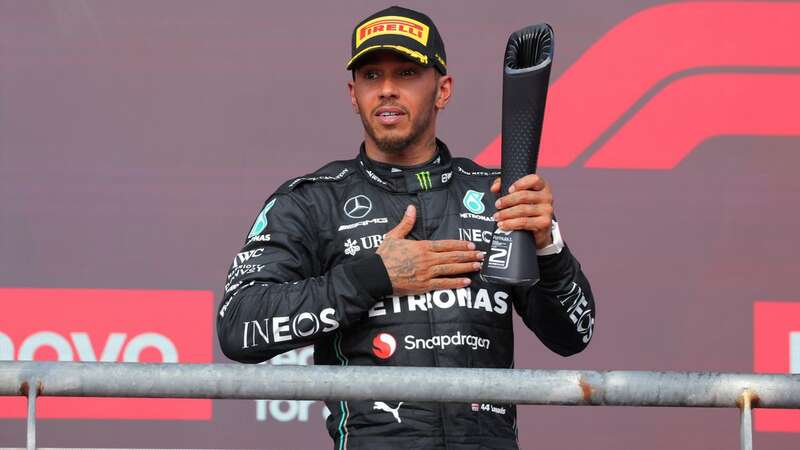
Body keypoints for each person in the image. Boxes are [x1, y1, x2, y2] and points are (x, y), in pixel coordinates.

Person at [217, 5, 595, 450]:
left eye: (408, 73)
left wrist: (548, 247)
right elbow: (239, 326)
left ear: (443, 89)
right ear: (352, 93)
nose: (388, 90)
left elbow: (573, 335)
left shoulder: (500, 195)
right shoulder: (311, 201)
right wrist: (374, 276)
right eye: (372, 76)